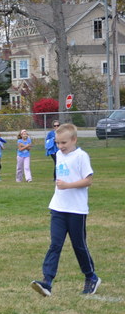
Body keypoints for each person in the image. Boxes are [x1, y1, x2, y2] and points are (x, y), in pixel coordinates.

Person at [31, 123, 100, 297]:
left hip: (76, 210)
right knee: (55, 244)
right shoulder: (58, 155)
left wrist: (68, 185)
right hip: (58, 208)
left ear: (74, 140)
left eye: (64, 143)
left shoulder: (81, 156)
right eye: (58, 143)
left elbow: (88, 180)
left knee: (79, 246)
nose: (60, 147)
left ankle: (91, 277)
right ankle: (47, 282)